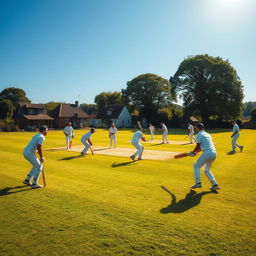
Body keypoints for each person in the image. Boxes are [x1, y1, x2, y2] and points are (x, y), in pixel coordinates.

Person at [190, 123, 220, 191]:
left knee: (196, 166)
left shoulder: (199, 135)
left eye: (196, 128)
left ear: (198, 128)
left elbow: (198, 146)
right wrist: (195, 152)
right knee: (206, 170)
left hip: (207, 153)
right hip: (214, 153)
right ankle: (215, 184)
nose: (195, 129)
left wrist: (193, 152)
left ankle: (198, 183)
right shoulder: (208, 134)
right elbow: (201, 148)